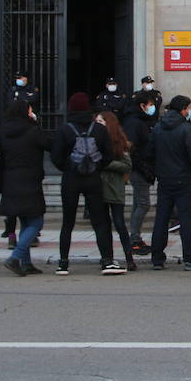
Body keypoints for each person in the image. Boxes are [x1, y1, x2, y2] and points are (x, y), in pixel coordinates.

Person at [50, 92, 119, 276]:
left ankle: (63, 263)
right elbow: (109, 155)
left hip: (71, 180)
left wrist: (68, 167)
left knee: (68, 223)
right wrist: (97, 167)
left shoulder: (64, 130)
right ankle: (107, 260)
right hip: (93, 179)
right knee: (100, 221)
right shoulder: (99, 129)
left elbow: (56, 157)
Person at [149, 95, 191, 271]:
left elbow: (150, 152)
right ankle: (190, 258)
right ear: (183, 109)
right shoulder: (186, 128)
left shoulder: (158, 127)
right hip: (184, 179)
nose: (189, 111)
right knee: (186, 220)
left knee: (161, 218)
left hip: (164, 178)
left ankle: (157, 258)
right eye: (188, 108)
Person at [0, 100, 49, 276]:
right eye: (30, 111)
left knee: (25, 222)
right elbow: (48, 144)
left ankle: (26, 263)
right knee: (36, 222)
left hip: (10, 181)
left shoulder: (4, 132)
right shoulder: (33, 131)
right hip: (29, 181)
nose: (32, 113)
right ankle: (15, 257)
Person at [97, 110, 137, 272]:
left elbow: (127, 165)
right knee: (103, 225)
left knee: (119, 223)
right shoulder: (95, 140)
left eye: (101, 122)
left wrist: (105, 163)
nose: (98, 125)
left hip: (114, 187)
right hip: (99, 188)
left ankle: (129, 258)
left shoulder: (118, 141)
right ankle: (107, 257)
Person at [121, 91, 158, 255]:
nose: (152, 108)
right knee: (143, 203)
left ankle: (134, 237)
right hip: (139, 167)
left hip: (141, 166)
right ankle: (134, 238)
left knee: (138, 202)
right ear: (142, 106)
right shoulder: (135, 122)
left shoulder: (139, 120)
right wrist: (142, 166)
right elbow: (132, 147)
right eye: (150, 105)